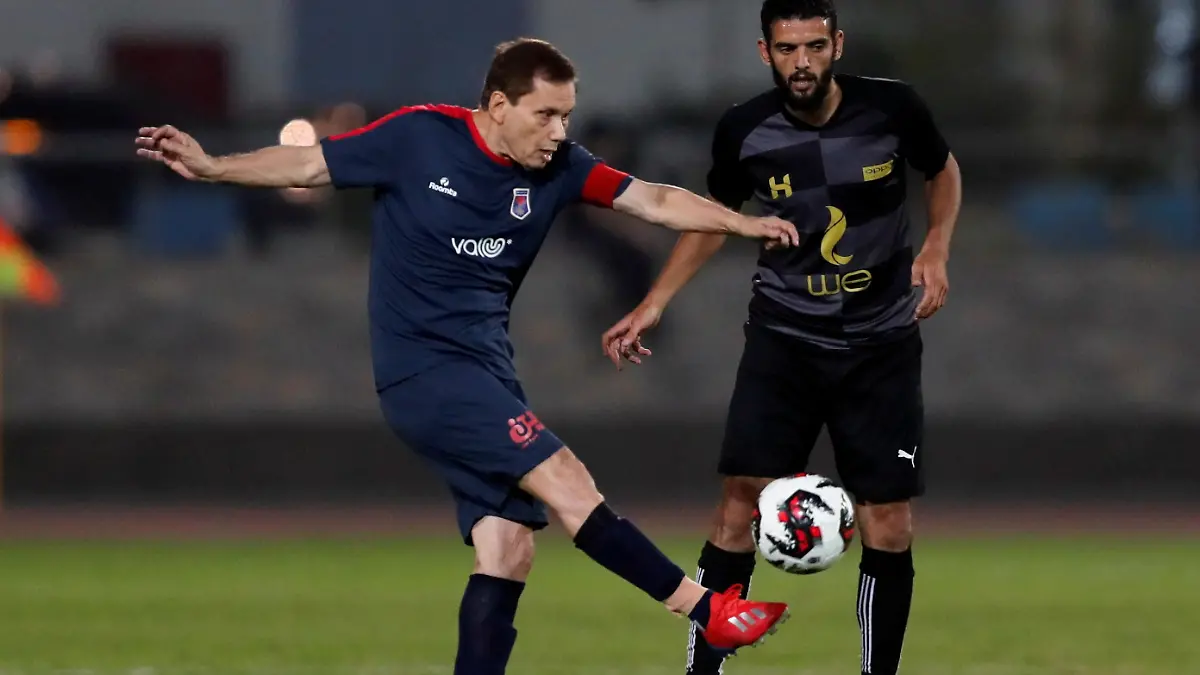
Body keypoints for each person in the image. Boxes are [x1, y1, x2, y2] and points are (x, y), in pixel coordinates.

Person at [135, 38, 799, 675]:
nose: (559, 131)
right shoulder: (419, 138)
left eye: (566, 115)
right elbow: (309, 165)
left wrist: (743, 224)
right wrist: (215, 166)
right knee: (567, 479)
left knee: (508, 549)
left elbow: (652, 199)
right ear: (498, 106)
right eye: (545, 114)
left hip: (488, 373)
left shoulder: (562, 167)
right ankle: (707, 610)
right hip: (425, 373)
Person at [600, 2, 963, 674]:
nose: (803, 62)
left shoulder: (893, 109)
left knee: (889, 520)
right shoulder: (744, 129)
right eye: (788, 49)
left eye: (815, 47)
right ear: (765, 52)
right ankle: (701, 672)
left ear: (838, 46)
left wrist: (937, 246)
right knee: (738, 503)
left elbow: (942, 170)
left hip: (880, 344)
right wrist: (655, 299)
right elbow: (713, 218)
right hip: (785, 339)